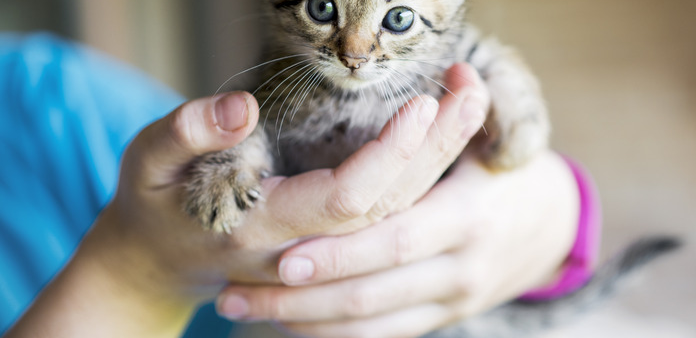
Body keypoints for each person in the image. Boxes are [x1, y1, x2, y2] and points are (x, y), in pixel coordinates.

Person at [0, 32, 597, 338]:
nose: (357, 52)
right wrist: (134, 271)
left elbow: (228, 139)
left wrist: (553, 206)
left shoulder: (38, 98)